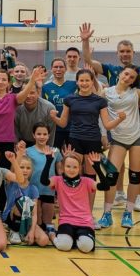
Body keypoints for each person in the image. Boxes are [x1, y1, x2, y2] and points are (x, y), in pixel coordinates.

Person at [50, 68, 126, 216]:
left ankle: (88, 214)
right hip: (75, 140)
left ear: (92, 82)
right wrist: (53, 117)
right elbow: (63, 123)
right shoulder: (69, 99)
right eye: (81, 80)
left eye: (87, 80)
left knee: (90, 179)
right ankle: (71, 211)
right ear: (77, 82)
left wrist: (120, 119)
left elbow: (107, 124)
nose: (84, 83)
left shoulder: (100, 101)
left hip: (93, 142)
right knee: (72, 176)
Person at [95, 66, 140, 229]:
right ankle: (107, 214)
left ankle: (128, 213)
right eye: (126, 74)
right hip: (118, 139)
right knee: (111, 176)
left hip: (138, 138)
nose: (128, 78)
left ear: (134, 80)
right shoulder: (106, 92)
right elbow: (98, 113)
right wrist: (103, 136)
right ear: (119, 74)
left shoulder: (136, 92)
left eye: (132, 77)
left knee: (134, 176)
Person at [40, 147, 111, 253]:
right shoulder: (58, 180)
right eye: (68, 166)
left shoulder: (86, 181)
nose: (71, 170)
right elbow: (44, 181)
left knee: (86, 247)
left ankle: (76, 238)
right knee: (64, 246)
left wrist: (97, 168)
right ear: (63, 167)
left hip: (85, 222)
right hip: (66, 221)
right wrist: (49, 160)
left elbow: (105, 186)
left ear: (80, 169)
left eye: (75, 167)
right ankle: (52, 234)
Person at [80, 22, 140, 86]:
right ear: (117, 53)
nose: (125, 54)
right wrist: (85, 41)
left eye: (128, 51)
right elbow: (88, 61)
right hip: (114, 113)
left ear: (133, 53)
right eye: (122, 51)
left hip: (137, 113)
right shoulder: (110, 69)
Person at [1, 152, 50, 247]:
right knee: (24, 201)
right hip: (10, 218)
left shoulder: (33, 189)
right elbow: (12, 170)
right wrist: (16, 157)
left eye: (28, 168)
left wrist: (32, 232)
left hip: (26, 219)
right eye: (21, 167)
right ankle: (14, 230)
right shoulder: (11, 182)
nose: (25, 170)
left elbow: (34, 214)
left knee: (43, 240)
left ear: (32, 170)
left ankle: (23, 232)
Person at [26, 123, 62, 233]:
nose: (42, 137)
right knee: (37, 224)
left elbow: (60, 172)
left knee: (48, 224)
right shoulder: (28, 151)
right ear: (33, 135)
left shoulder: (55, 152)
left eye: (44, 134)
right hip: (33, 190)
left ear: (49, 135)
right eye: (39, 134)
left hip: (48, 191)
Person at [41, 58, 77, 150]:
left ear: (65, 69)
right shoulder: (45, 87)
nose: (58, 69)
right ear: (51, 69)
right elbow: (43, 108)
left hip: (72, 128)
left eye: (61, 67)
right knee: (54, 156)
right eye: (55, 67)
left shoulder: (74, 85)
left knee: (72, 156)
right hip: (54, 129)